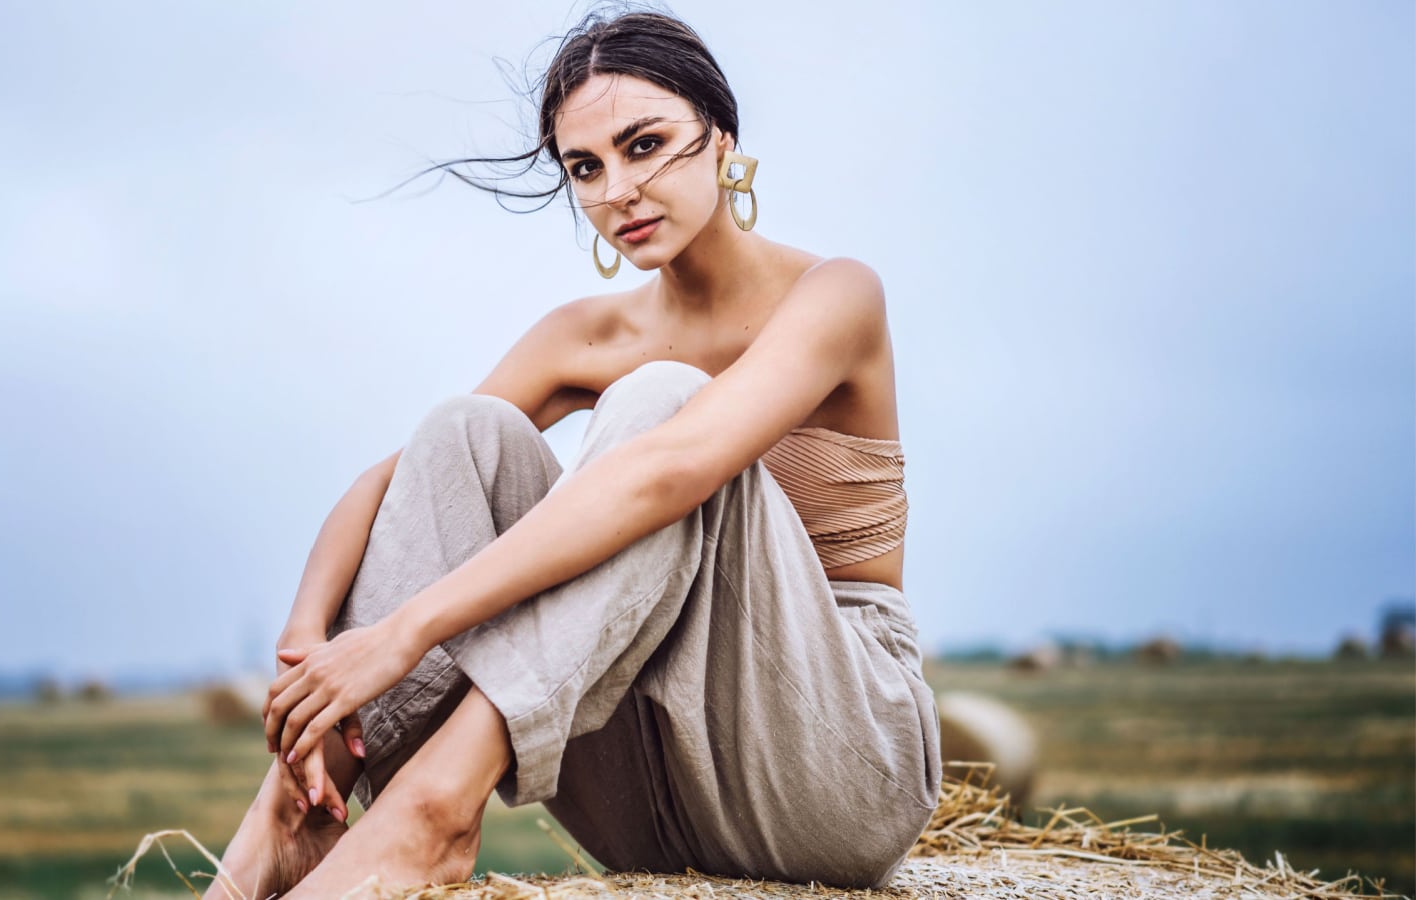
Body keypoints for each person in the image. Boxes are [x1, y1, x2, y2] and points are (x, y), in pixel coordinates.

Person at [204, 7, 940, 899]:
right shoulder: (581, 335)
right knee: (463, 429)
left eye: (646, 144)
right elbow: (392, 480)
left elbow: (670, 470)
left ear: (723, 140)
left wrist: (407, 633)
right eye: (585, 167)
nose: (617, 189)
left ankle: (434, 811)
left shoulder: (836, 295)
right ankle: (299, 806)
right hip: (656, 789)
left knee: (662, 401)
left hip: (834, 765)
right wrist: (307, 643)